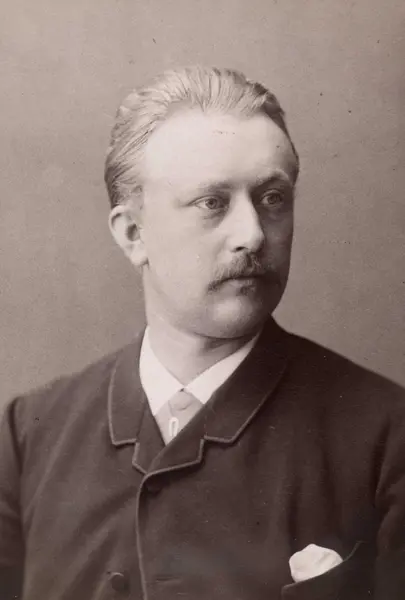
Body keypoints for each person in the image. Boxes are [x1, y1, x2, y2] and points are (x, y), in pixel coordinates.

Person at [1, 66, 404, 600]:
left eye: (273, 198)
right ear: (133, 233)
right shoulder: (28, 438)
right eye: (212, 202)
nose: (253, 234)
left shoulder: (387, 438)